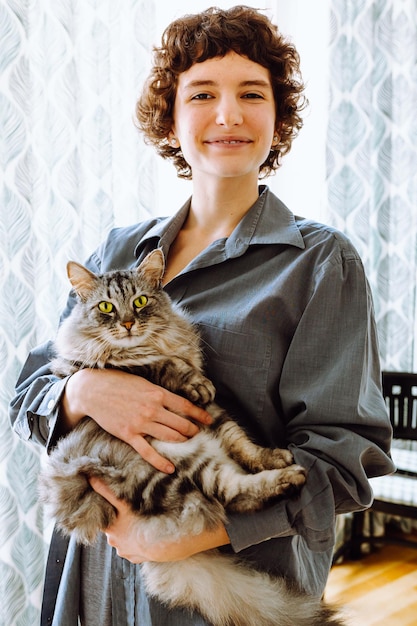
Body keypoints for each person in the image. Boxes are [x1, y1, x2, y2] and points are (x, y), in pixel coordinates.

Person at [10, 6, 394, 626]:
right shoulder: (116, 253)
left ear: (279, 115)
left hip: (225, 587)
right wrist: (82, 389)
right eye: (202, 94)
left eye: (251, 93)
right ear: (171, 115)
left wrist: (191, 534)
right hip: (97, 581)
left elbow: (346, 463)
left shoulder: (322, 262)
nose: (228, 114)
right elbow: (27, 395)